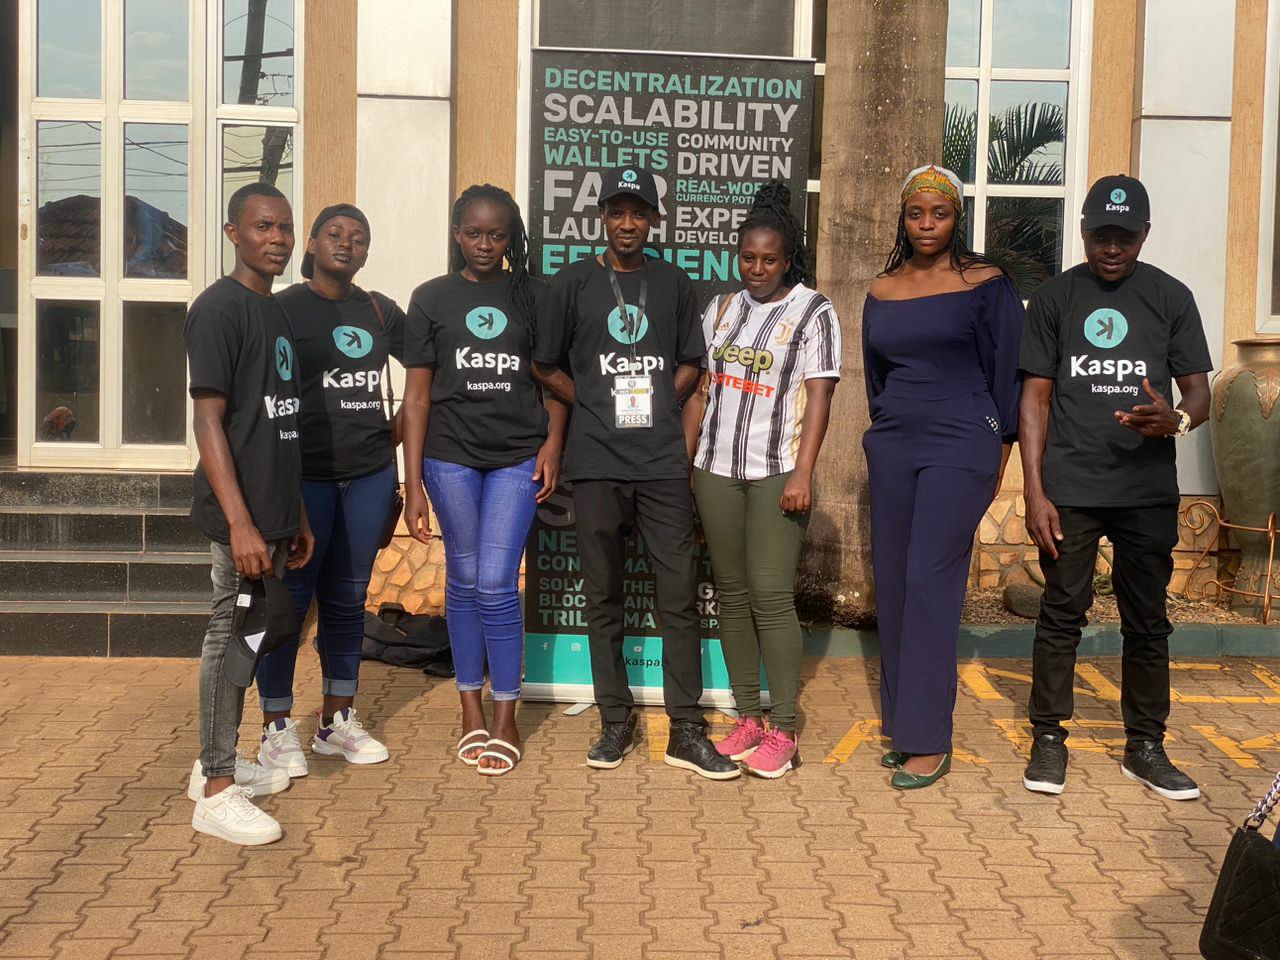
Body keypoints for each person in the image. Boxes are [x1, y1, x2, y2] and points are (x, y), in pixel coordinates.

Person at [533, 167, 738, 781]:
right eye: (618, 212)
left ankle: (686, 730)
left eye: (639, 213)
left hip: (661, 462)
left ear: (653, 219)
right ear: (602, 217)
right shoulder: (571, 283)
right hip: (596, 461)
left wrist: (661, 401)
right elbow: (544, 365)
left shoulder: (673, 283)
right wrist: (594, 401)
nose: (628, 224)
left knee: (678, 596)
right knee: (603, 597)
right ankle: (615, 721)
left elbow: (691, 362)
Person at [1020, 174, 1212, 800]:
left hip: (1145, 488)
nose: (1111, 248)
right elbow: (1035, 398)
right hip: (1070, 488)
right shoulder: (1055, 298)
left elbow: (1198, 393)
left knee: (1148, 621)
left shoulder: (1171, 297)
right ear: (1082, 232)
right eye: (1101, 235)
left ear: (1144, 235)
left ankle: (1146, 747)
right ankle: (1049, 740)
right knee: (1061, 616)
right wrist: (1034, 491)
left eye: (1124, 237)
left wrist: (1176, 420)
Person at [863, 164, 1023, 790]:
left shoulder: (985, 283)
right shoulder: (881, 289)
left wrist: (1000, 448)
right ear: (903, 219)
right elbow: (876, 376)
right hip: (894, 442)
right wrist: (886, 432)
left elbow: (1006, 369)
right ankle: (905, 726)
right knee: (896, 583)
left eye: (940, 213)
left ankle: (929, 741)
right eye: (916, 213)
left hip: (962, 439)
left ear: (958, 218)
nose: (927, 224)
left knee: (931, 579)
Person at [402, 184, 567, 775]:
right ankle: (469, 707)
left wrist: (553, 444)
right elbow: (416, 397)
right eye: (473, 233)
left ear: (510, 237)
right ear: (457, 234)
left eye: (497, 234)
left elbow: (553, 379)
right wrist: (412, 484)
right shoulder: (430, 298)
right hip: (449, 457)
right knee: (464, 578)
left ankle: (505, 715)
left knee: (496, 581)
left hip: (517, 456)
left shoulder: (536, 295)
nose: (484, 244)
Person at [681, 181, 840, 778]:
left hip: (777, 473)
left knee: (771, 596)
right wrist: (687, 465)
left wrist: (804, 472)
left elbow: (819, 398)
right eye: (748, 258)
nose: (757, 269)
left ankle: (786, 728)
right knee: (732, 594)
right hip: (716, 471)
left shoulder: (814, 311)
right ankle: (748, 717)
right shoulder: (720, 310)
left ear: (788, 259)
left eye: (769, 259)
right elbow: (701, 393)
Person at [184, 181, 314, 845]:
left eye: (285, 227)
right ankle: (215, 788)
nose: (277, 239)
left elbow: (280, 423)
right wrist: (240, 523)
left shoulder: (275, 311)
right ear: (233, 233)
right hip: (241, 518)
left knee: (254, 636)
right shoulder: (218, 309)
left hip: (276, 513)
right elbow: (208, 422)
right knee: (229, 638)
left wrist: (297, 514)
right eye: (263, 227)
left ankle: (220, 759)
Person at [255, 204, 403, 777]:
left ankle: (335, 721)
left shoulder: (379, 310)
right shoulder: (283, 309)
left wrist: (391, 436)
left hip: (368, 476)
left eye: (358, 237)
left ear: (367, 251)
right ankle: (275, 726)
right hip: (304, 478)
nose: (346, 243)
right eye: (335, 234)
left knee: (347, 598)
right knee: (290, 604)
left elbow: (429, 372)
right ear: (312, 244)